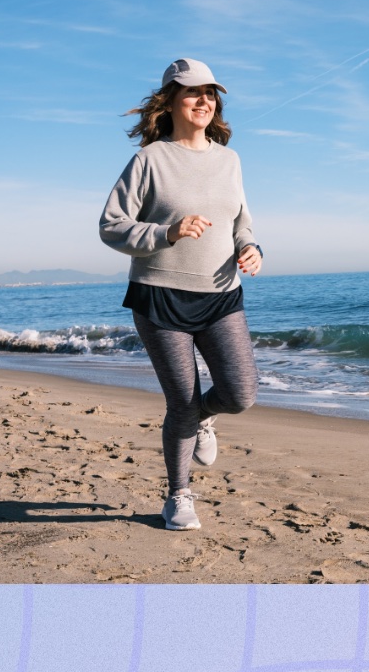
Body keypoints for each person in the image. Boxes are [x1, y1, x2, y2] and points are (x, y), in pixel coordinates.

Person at [99, 58, 263, 531]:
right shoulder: (150, 160)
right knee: (181, 403)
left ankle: (205, 420)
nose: (203, 101)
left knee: (240, 393)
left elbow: (241, 222)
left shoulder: (229, 160)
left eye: (210, 93)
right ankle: (178, 496)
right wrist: (166, 233)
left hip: (220, 293)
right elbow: (112, 226)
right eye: (192, 92)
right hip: (160, 297)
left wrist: (249, 247)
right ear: (169, 100)